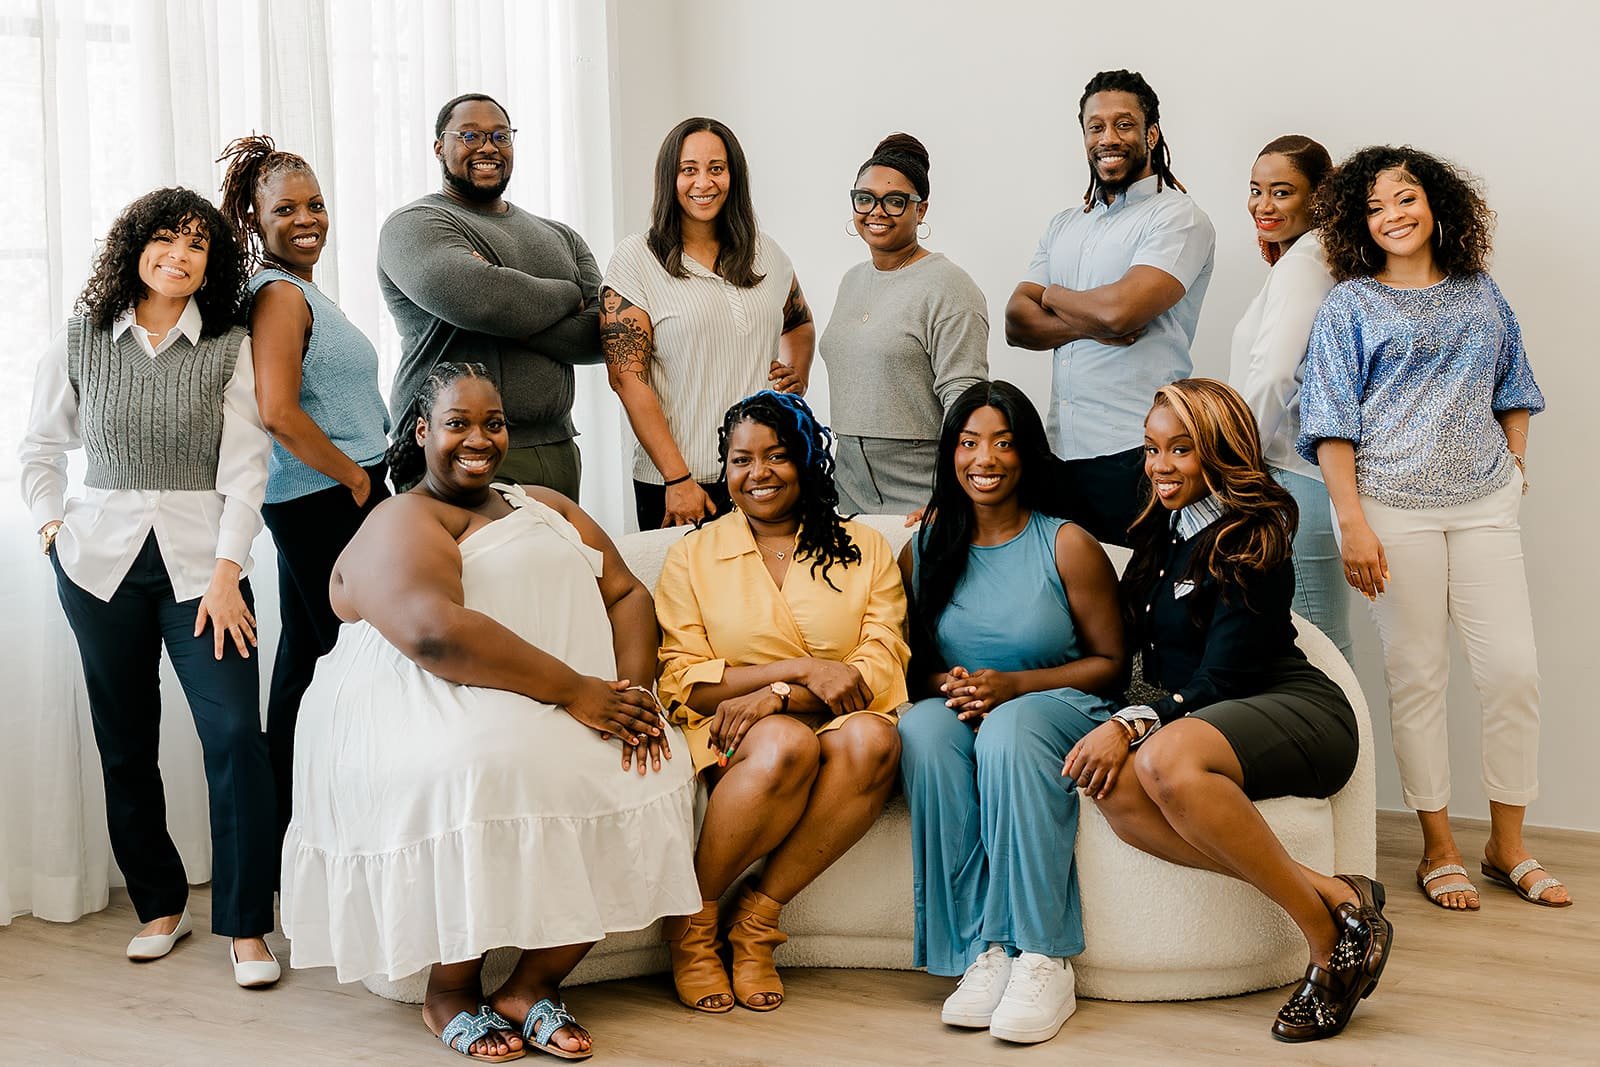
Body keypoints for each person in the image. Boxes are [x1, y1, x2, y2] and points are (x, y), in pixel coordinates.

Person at [280, 363, 699, 1062]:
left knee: (644, 767)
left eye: (493, 422)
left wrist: (632, 696)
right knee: (485, 764)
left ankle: (531, 985)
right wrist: (576, 691)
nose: (479, 437)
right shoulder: (405, 516)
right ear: (422, 432)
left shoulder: (544, 503)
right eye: (458, 423)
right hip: (432, 700)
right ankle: (449, 992)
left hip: (560, 694)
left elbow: (626, 593)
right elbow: (432, 632)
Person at [1069, 378, 1387, 1043]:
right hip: (1209, 723)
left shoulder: (1255, 535)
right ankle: (1339, 894)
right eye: (1152, 448)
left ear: (1219, 451)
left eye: (1181, 450)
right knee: (1116, 791)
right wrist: (956, 504)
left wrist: (1129, 721)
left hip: (1293, 710)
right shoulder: (1162, 513)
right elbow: (1053, 480)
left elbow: (1223, 676)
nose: (1160, 465)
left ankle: (1328, 943)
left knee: (1162, 757)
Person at [19, 187, 280, 987]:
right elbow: (39, 449)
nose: (179, 254)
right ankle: (159, 905)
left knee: (235, 735)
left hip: (207, 572)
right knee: (125, 741)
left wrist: (230, 572)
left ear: (213, 262)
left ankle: (245, 926)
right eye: (165, 238)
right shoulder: (80, 341)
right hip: (97, 568)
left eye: (197, 244)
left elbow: (246, 470)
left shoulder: (229, 346)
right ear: (133, 247)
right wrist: (50, 529)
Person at [1299, 147, 1563, 911]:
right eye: (1375, 207)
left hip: (1484, 502)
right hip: (1390, 508)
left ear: (1436, 203)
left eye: (1405, 198)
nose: (1393, 216)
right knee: (1417, 674)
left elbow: (1516, 384)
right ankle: (1439, 845)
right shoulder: (1349, 305)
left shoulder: (1480, 292)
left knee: (1513, 670)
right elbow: (1329, 423)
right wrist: (1352, 523)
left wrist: (1515, 467)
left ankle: (1507, 844)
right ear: (1359, 224)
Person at [653, 391, 909, 1013]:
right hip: (726, 726)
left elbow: (882, 657)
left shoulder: (864, 546)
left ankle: (756, 920)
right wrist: (796, 672)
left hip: (832, 715)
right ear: (725, 468)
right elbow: (684, 679)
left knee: (876, 738)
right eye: (741, 460)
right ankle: (692, 925)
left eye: (777, 456)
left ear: (807, 461)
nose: (758, 473)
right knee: (784, 744)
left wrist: (785, 695)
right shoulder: (694, 553)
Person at [897, 381, 1125, 1045]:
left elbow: (1111, 662)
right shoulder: (924, 546)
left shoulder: (1066, 543)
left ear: (1026, 453)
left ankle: (1041, 953)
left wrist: (1013, 686)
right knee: (921, 729)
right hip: (966, 702)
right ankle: (981, 950)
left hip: (1060, 702)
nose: (984, 457)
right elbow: (906, 665)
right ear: (951, 452)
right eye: (969, 442)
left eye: (1002, 441)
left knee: (1010, 727)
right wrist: (952, 683)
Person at [218, 134, 393, 842]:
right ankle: (319, 829)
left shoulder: (300, 289)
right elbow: (279, 411)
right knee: (356, 658)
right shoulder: (279, 295)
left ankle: (286, 833)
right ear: (255, 221)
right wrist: (355, 476)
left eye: (315, 203)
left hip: (332, 492)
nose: (307, 217)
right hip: (326, 497)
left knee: (306, 662)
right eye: (286, 208)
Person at [1003, 69, 1215, 546]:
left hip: (1136, 452)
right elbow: (1017, 321)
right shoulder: (1064, 224)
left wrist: (1053, 295)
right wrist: (1088, 324)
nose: (1108, 138)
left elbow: (1121, 313)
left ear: (1151, 133)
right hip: (1060, 453)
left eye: (1123, 124)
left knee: (1136, 604)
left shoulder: (1177, 216)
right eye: (1095, 127)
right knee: (1073, 602)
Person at [379, 92, 602, 496]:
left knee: (560, 560)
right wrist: (570, 293)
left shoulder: (561, 235)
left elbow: (597, 335)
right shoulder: (416, 224)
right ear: (439, 147)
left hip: (557, 447)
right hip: (461, 450)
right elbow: (487, 301)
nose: (487, 147)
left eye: (500, 136)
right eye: (469, 135)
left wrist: (510, 312)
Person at [601, 117, 816, 529]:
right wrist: (676, 478)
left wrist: (797, 377)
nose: (704, 182)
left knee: (770, 594)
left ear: (734, 176)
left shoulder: (767, 254)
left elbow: (799, 322)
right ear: (670, 178)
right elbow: (627, 378)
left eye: (716, 168)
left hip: (766, 477)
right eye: (689, 170)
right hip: (682, 482)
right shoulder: (635, 260)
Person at [1225, 135, 1351, 662]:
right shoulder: (1316, 256)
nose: (1263, 205)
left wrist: (1231, 458)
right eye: (1256, 190)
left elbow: (1276, 374)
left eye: (1281, 192)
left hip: (1291, 479)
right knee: (1318, 643)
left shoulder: (1305, 263)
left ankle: (1343, 745)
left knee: (1317, 649)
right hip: (1304, 479)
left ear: (1318, 197)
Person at [818, 132, 989, 515]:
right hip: (849, 483)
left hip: (920, 484)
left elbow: (964, 397)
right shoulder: (851, 280)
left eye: (895, 201)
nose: (876, 211)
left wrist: (953, 494)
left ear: (921, 210)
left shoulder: (949, 285)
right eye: (865, 199)